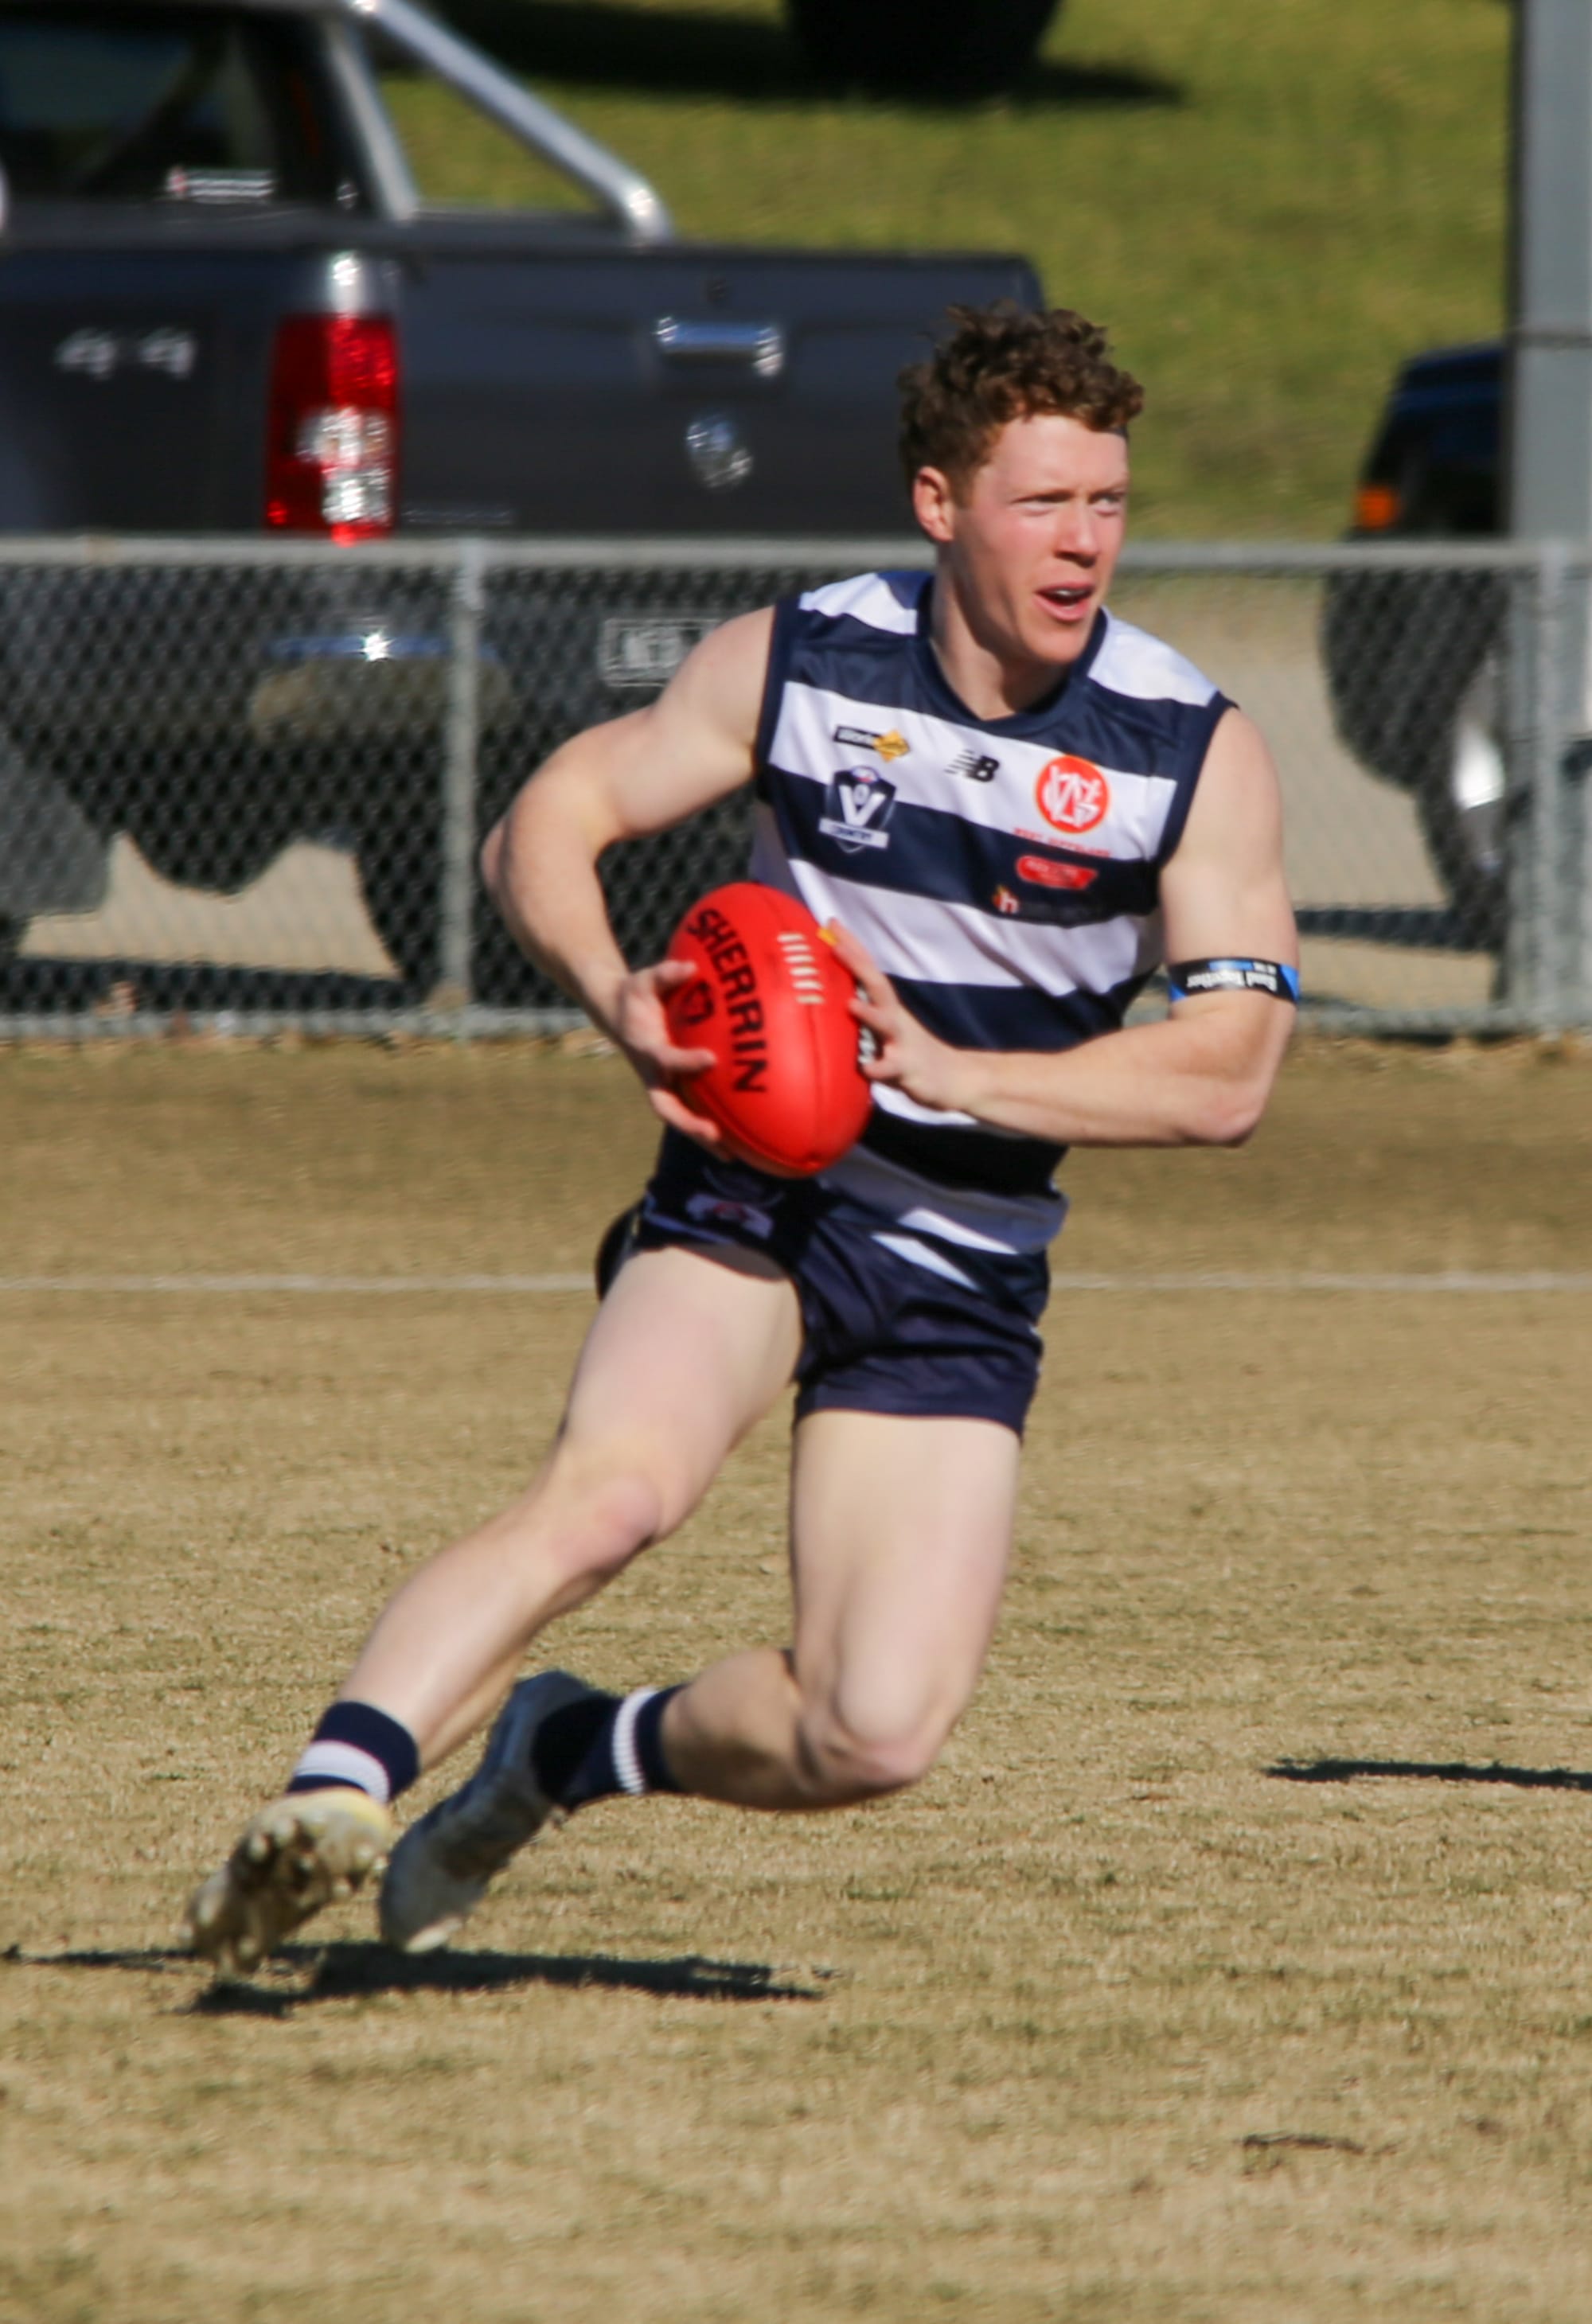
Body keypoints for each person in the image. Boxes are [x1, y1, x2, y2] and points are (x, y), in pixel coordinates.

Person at [184, 304, 1298, 1975]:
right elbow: (548, 818)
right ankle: (328, 1798)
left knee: (870, 1728)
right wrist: (613, 993)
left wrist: (952, 1072)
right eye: (1043, 505)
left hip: (963, 1255)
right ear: (939, 503)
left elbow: (1226, 1073)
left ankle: (562, 1747)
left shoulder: (1187, 748)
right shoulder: (801, 660)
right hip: (758, 1190)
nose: (1083, 544)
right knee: (612, 1496)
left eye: (1108, 504)